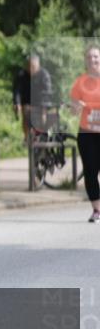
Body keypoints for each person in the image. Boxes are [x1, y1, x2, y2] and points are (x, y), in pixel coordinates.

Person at [70, 44, 100, 223]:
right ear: (85, 61)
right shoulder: (80, 83)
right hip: (87, 134)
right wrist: (76, 107)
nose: (93, 60)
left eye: (96, 57)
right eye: (90, 57)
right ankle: (97, 210)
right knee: (90, 171)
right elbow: (73, 110)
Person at [13, 54, 54, 144]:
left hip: (41, 102)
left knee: (42, 114)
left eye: (33, 67)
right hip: (27, 102)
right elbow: (17, 91)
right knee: (25, 112)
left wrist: (40, 106)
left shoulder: (44, 75)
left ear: (38, 65)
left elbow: (47, 92)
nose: (31, 69)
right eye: (28, 66)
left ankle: (43, 133)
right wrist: (17, 103)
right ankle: (26, 136)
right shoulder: (22, 75)